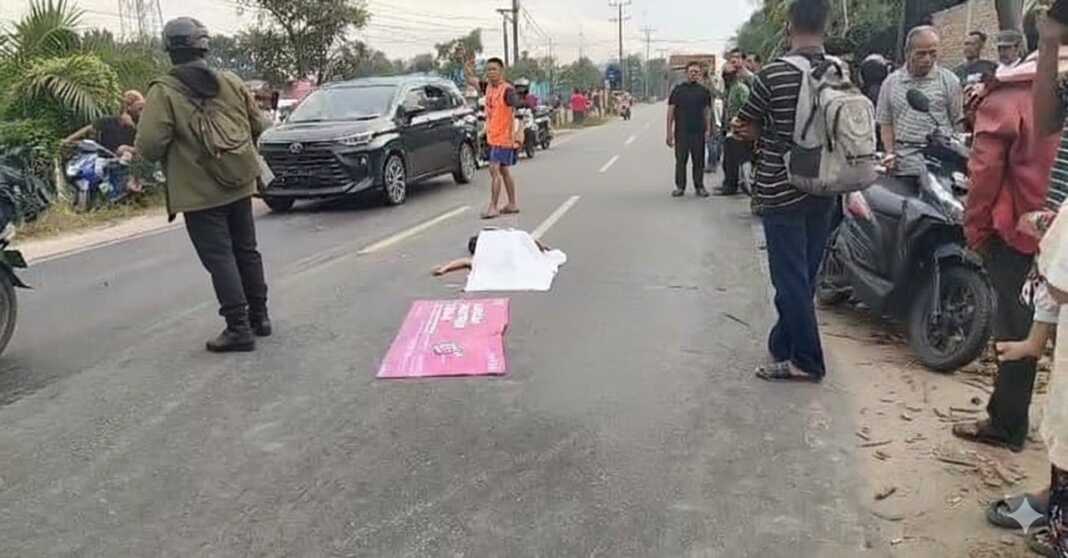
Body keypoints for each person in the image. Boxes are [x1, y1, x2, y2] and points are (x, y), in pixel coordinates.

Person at [135, 17, 271, 353]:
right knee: (246, 250)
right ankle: (260, 317)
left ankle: (238, 328)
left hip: (198, 192)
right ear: (204, 45)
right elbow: (261, 124)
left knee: (220, 257)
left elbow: (149, 146)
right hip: (239, 181)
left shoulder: (163, 92)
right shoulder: (231, 80)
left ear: (169, 50)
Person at [954, 44, 1058, 456]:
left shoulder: (1012, 94)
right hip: (1057, 231)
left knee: (1016, 330)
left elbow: (984, 172)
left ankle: (1007, 422)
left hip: (1022, 235)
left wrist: (976, 229)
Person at [732, 0, 834, 382]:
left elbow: (745, 124)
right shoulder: (840, 70)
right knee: (804, 275)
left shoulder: (771, 75)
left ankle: (807, 360)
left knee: (789, 278)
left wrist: (763, 133)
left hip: (782, 187)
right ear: (826, 25)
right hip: (826, 187)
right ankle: (783, 341)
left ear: (789, 26)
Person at [876, 25, 963, 182]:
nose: (927, 59)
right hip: (904, 164)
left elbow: (957, 121)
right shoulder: (890, 83)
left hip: (940, 164)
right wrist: (890, 152)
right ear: (907, 53)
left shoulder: (949, 81)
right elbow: (886, 123)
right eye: (921, 54)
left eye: (933, 53)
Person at [464, 55, 523, 219]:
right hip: (493, 136)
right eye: (488, 70)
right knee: (504, 170)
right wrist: (467, 66)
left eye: (494, 69)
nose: (490, 73)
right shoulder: (488, 87)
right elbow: (471, 80)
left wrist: (520, 102)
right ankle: (512, 204)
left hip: (503, 138)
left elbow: (516, 102)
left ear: (501, 71)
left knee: (494, 169)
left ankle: (493, 207)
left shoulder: (507, 90)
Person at [666, 61, 713, 198]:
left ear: (699, 74)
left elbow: (707, 112)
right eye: (691, 71)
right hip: (682, 132)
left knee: (698, 161)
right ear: (686, 73)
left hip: (698, 131)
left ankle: (699, 186)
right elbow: (670, 112)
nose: (694, 74)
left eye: (697, 72)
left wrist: (708, 129)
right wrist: (669, 132)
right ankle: (680, 187)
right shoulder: (678, 90)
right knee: (681, 161)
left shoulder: (704, 92)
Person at [64, 90, 146, 155]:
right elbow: (89, 128)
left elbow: (145, 149)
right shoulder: (110, 121)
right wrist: (67, 141)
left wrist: (132, 126)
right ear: (128, 107)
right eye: (140, 109)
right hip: (104, 159)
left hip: (127, 162)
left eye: (143, 109)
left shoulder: (142, 126)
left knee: (124, 150)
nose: (142, 112)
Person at [718, 62, 752, 196]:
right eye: (725, 75)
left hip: (739, 129)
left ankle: (736, 185)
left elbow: (747, 107)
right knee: (728, 159)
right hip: (730, 128)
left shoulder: (741, 88)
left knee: (737, 159)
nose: (726, 77)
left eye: (728, 74)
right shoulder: (730, 89)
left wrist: (739, 123)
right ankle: (729, 184)